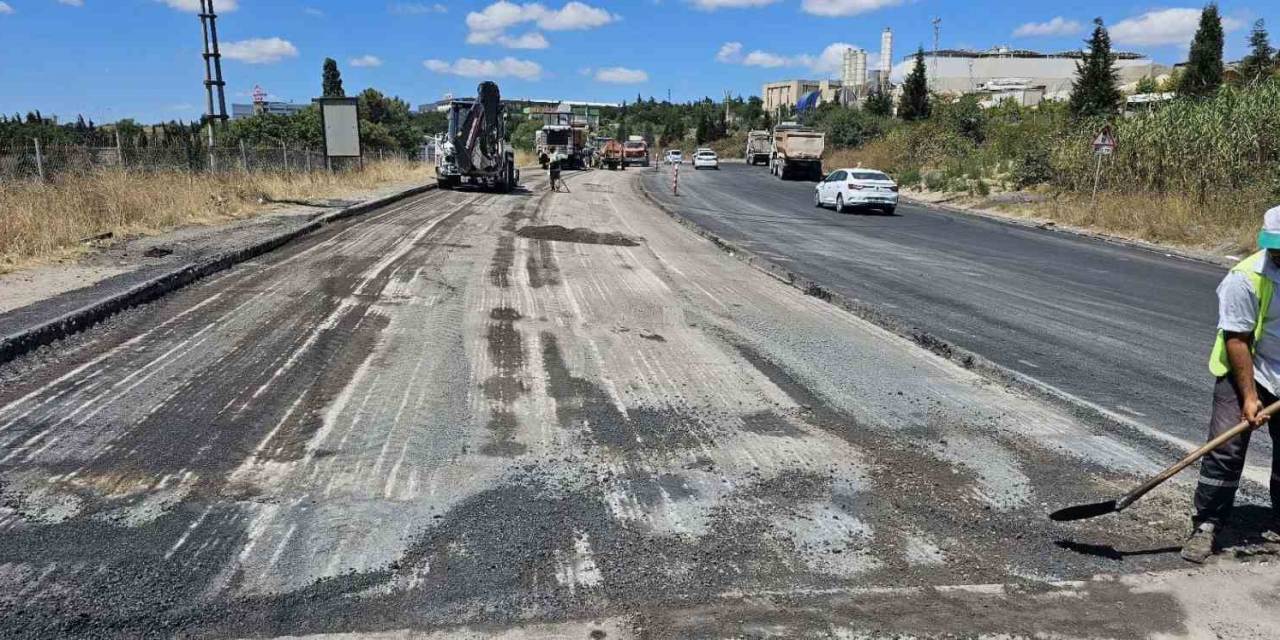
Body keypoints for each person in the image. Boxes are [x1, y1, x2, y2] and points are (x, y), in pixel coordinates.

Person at [1183, 205, 1280, 563]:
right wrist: (1250, 397)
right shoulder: (1244, 278)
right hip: (1246, 370)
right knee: (1226, 450)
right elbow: (1237, 340)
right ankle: (1207, 524)